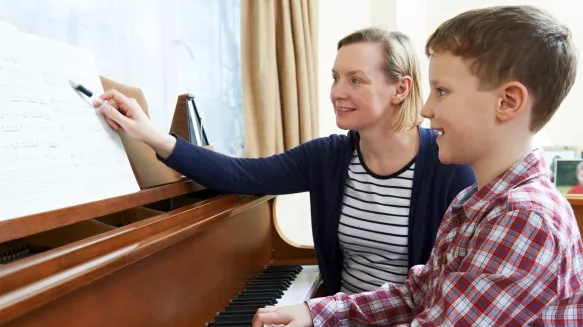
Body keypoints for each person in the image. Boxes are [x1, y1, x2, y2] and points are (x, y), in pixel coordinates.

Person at [224, 5, 583, 327]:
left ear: (508, 102)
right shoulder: (474, 201)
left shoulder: (525, 217)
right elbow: (419, 295)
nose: (427, 107)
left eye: (443, 91)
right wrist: (315, 311)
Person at [96, 27, 475, 296]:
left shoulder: (448, 165)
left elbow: (449, 292)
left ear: (401, 89)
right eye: (335, 78)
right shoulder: (327, 157)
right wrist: (149, 135)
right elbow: (243, 174)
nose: (336, 92)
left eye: (355, 80)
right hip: (340, 326)